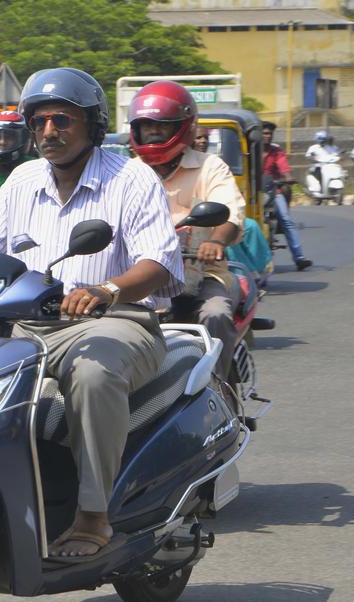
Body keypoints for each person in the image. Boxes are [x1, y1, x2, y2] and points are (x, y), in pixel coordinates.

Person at [0, 68, 184, 558]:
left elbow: (159, 262)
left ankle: (93, 516)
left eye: (61, 120)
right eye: (39, 121)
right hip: (29, 324)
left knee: (92, 373)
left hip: (119, 323)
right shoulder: (21, 180)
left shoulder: (130, 178)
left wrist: (107, 289)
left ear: (91, 124)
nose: (48, 132)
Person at [128, 81, 245, 380]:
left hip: (203, 274)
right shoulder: (126, 172)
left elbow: (228, 209)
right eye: (146, 126)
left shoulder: (210, 167)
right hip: (141, 277)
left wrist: (216, 241)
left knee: (215, 314)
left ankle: (217, 389)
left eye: (161, 126)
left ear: (183, 127)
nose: (153, 132)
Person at [261, 121, 312, 270]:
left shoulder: (277, 151)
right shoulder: (249, 149)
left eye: (269, 133)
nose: (267, 136)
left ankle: (299, 257)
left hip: (272, 191)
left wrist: (288, 178)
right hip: (252, 192)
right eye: (264, 133)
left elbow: (284, 167)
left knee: (286, 219)